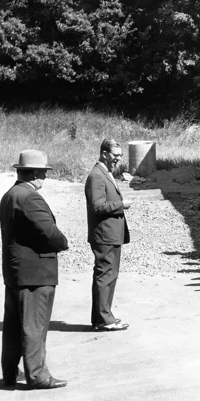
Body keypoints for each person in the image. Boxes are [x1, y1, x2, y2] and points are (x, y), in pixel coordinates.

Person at [0, 150, 69, 389]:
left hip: (16, 272)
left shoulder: (10, 195)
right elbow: (49, 232)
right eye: (43, 173)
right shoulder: (31, 198)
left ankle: (10, 372)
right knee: (34, 325)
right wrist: (63, 242)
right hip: (35, 273)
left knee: (13, 327)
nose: (45, 178)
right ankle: (38, 375)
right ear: (35, 173)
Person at [85, 138, 132, 332]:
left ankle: (101, 318)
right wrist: (121, 205)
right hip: (105, 235)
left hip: (109, 234)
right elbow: (97, 205)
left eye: (120, 156)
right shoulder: (97, 175)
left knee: (108, 275)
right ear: (104, 153)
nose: (118, 160)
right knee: (106, 275)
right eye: (115, 156)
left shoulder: (105, 173)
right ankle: (105, 319)